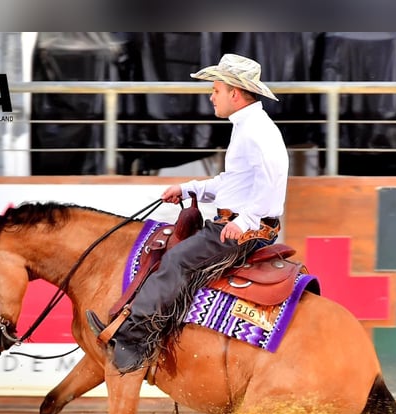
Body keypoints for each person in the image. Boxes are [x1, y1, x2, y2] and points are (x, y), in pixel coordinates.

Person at [88, 53, 289, 375]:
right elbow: (234, 181)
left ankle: (135, 341)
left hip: (246, 228)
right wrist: (190, 189)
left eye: (216, 90)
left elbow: (272, 180)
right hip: (237, 220)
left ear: (234, 94)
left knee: (176, 261)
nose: (212, 97)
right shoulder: (248, 126)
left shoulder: (257, 131)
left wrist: (244, 222)